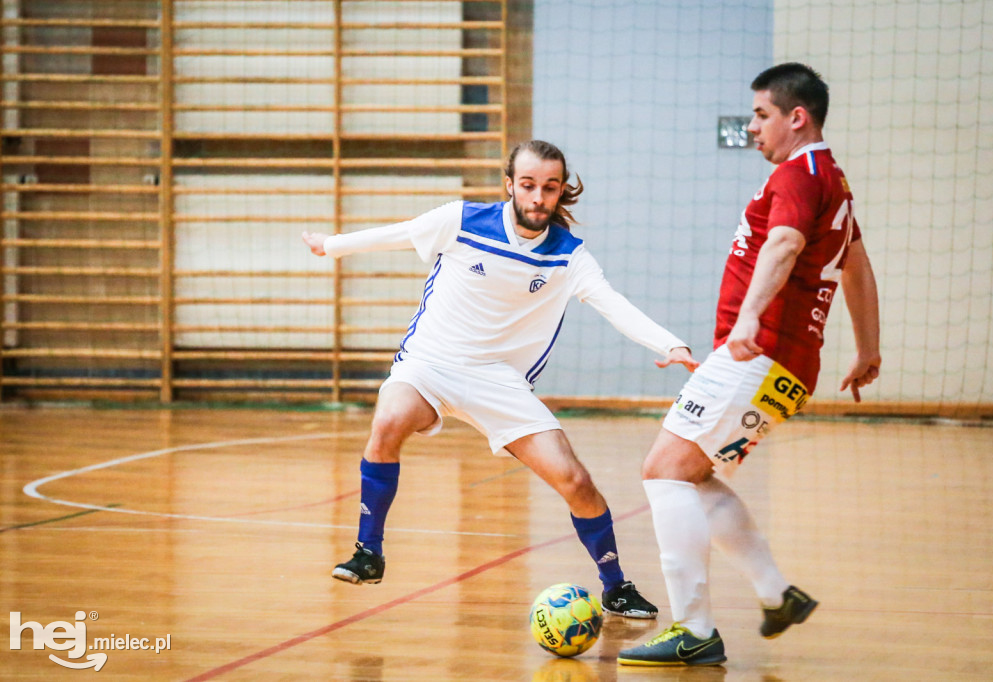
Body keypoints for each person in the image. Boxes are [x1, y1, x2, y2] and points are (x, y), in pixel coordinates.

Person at [302, 139, 699, 619]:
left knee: (575, 480)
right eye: (528, 186)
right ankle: (369, 553)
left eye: (548, 188)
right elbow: (404, 233)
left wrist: (670, 345)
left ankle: (615, 586)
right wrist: (333, 246)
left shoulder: (568, 255)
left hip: (500, 382)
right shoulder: (463, 220)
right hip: (430, 364)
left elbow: (612, 303)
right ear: (510, 185)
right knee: (387, 421)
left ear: (560, 193)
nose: (537, 198)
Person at [618, 63, 881, 665]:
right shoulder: (830, 180)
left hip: (757, 356)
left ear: (796, 117)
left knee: (663, 472)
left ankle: (693, 630)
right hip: (785, 365)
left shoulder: (800, 175)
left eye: (760, 115)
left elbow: (785, 245)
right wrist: (867, 349)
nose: (752, 127)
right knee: (693, 476)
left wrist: (746, 321)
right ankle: (774, 593)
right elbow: (857, 266)